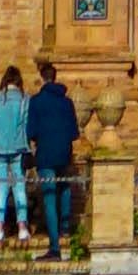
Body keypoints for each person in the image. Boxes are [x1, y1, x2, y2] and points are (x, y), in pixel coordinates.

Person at [27, 54, 81, 256]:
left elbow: (31, 131)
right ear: (55, 77)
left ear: (42, 78)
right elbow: (74, 132)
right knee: (64, 187)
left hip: (46, 154)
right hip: (64, 152)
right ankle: (65, 227)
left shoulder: (36, 101)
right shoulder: (67, 102)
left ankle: (54, 246)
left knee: (49, 195)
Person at [0, 61, 33, 246]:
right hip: (18, 147)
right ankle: (22, 227)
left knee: (1, 187)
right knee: (19, 187)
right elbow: (27, 124)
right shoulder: (24, 100)